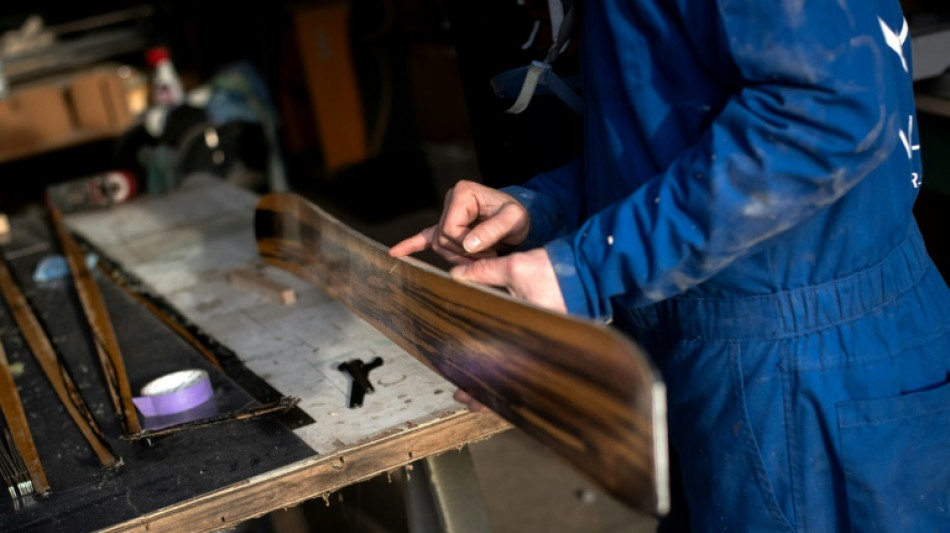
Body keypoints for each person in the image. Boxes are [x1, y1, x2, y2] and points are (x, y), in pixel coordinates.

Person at [390, 1, 950, 531]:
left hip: (803, 361)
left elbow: (823, 116)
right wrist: (541, 208)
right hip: (729, 347)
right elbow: (686, 133)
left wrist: (587, 268)